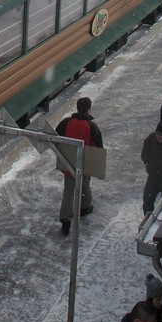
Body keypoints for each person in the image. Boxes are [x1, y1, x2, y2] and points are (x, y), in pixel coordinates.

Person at [56, 97, 103, 235]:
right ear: (88, 109)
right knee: (85, 187)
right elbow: (99, 148)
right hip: (84, 164)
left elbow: (55, 138)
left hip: (69, 164)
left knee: (68, 192)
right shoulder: (91, 126)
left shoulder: (66, 122)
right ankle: (84, 207)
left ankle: (65, 220)